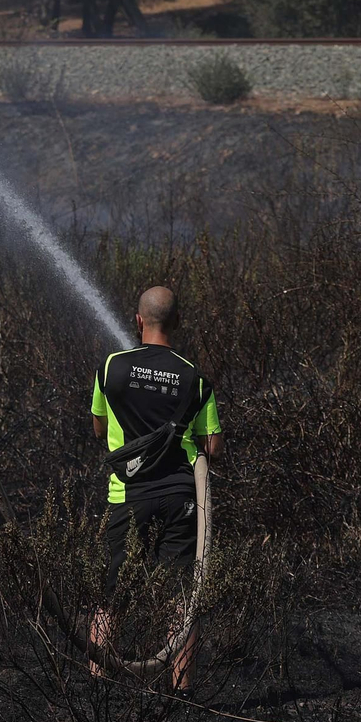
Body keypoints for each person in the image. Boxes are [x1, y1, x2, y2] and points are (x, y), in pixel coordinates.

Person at [89, 286, 222, 690]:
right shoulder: (194, 378)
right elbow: (212, 446)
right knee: (182, 599)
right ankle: (182, 695)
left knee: (108, 594)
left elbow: (98, 427)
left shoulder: (112, 366)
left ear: (138, 319)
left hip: (127, 497)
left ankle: (96, 689)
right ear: (177, 321)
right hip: (182, 498)